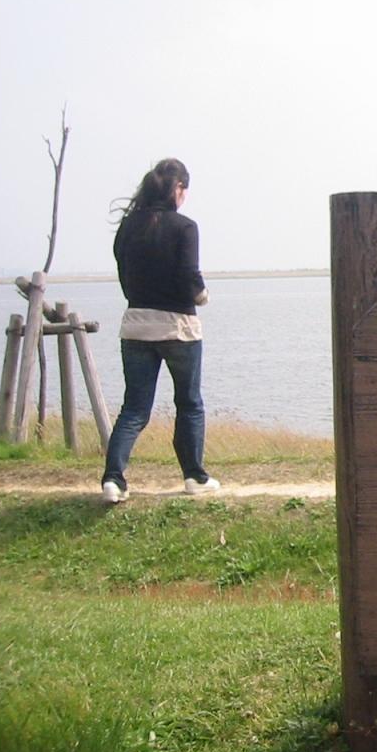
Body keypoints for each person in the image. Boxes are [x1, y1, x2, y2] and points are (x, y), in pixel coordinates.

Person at [101, 158, 219, 503]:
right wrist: (202, 296)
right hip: (178, 328)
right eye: (185, 190)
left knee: (134, 409)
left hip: (136, 326)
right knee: (189, 403)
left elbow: (123, 272)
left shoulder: (128, 227)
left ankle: (113, 479)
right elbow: (189, 275)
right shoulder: (185, 227)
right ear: (177, 189)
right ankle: (194, 476)